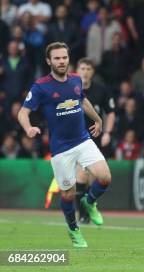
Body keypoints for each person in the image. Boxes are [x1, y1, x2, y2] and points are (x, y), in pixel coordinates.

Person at [17, 42, 112, 248]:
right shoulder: (41, 86)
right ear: (49, 61)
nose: (61, 61)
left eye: (64, 57)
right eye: (57, 58)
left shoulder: (76, 79)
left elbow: (82, 100)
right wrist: (28, 128)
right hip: (61, 149)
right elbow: (22, 112)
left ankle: (89, 201)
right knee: (67, 195)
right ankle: (73, 228)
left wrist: (98, 119)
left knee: (104, 177)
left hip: (83, 140)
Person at [74, 58, 116, 224]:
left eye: (88, 69)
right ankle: (83, 216)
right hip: (76, 139)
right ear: (77, 70)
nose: (85, 71)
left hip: (96, 139)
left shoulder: (101, 90)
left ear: (93, 72)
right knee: (82, 175)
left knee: (94, 178)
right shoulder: (71, 90)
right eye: (82, 68)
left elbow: (111, 112)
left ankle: (88, 206)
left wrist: (108, 132)